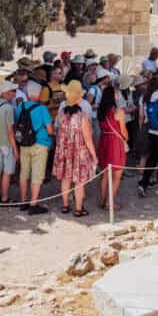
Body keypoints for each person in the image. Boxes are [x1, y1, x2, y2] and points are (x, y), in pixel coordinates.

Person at [52, 80, 96, 217]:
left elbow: (58, 132)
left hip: (64, 151)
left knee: (65, 179)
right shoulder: (82, 118)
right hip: (79, 152)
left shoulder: (61, 116)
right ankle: (78, 209)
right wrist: (94, 156)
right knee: (79, 181)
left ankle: (65, 206)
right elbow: (88, 140)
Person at [17, 80, 55, 215]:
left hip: (24, 143)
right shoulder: (42, 109)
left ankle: (23, 201)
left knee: (24, 173)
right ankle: (33, 204)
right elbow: (50, 130)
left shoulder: (20, 106)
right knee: (37, 176)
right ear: (38, 94)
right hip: (40, 144)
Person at [97, 86, 128, 210]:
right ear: (113, 95)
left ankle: (103, 200)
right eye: (116, 93)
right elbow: (124, 132)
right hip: (115, 143)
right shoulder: (118, 111)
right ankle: (110, 203)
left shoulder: (101, 110)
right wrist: (125, 138)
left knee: (104, 174)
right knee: (116, 174)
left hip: (104, 140)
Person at [0, 81, 19, 204]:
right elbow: (10, 131)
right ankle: (5, 198)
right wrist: (15, 150)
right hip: (7, 144)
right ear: (6, 92)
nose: (15, 93)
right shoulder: (8, 108)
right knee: (7, 173)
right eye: (13, 91)